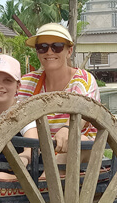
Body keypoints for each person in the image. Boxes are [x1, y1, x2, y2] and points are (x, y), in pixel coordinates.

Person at [19, 22, 100, 166]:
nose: (49, 52)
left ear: (69, 51)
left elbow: (84, 110)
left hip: (80, 156)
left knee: (76, 141)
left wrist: (67, 129)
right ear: (37, 52)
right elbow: (15, 111)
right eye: (42, 47)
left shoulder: (83, 80)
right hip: (38, 155)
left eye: (57, 47)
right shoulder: (27, 82)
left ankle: (45, 183)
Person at [0, 55, 38, 180]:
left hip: (19, 172)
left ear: (18, 86)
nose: (0, 85)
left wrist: (24, 157)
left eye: (8, 80)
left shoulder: (22, 112)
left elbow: (33, 146)